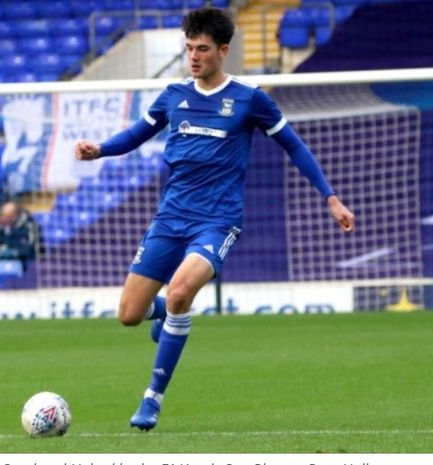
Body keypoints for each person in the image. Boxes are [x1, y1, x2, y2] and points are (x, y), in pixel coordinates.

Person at [74, 7, 355, 431]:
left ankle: (152, 398)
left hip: (218, 220)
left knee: (182, 291)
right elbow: (136, 135)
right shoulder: (173, 95)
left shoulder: (249, 98)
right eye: (189, 48)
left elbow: (294, 146)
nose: (194, 56)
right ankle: (166, 313)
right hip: (170, 218)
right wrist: (101, 150)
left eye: (202, 49)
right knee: (129, 314)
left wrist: (330, 197)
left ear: (223, 51)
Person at [0, 200, 38, 270]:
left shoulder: (30, 226)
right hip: (4, 261)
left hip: (25, 264)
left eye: (7, 216)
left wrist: (15, 252)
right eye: (2, 215)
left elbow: (31, 248)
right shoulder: (2, 225)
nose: (3, 218)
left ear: (14, 216)